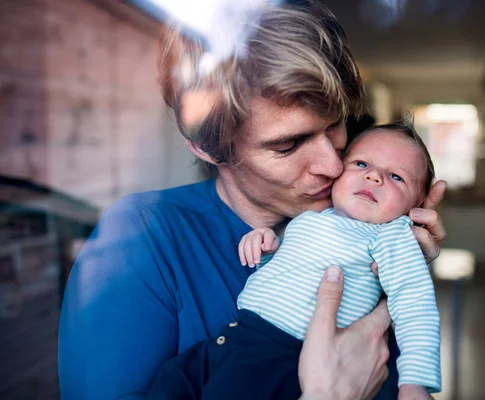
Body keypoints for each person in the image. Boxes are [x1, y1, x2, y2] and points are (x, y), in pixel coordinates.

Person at [58, 1, 447, 399]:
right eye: (288, 144)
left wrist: (400, 260)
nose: (333, 164)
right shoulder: (141, 238)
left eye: (334, 125)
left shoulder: (362, 226)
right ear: (209, 149)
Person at [145, 122, 441, 400]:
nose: (373, 177)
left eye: (396, 177)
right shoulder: (313, 217)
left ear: (415, 206)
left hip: (284, 356)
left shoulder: (393, 236)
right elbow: (292, 273)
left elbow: (416, 303)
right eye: (361, 164)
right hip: (235, 336)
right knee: (172, 380)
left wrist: (414, 384)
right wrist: (267, 249)